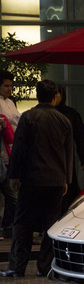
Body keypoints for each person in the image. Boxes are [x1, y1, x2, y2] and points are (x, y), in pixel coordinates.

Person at [0, 79, 73, 278]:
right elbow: (68, 153)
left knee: (23, 223)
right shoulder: (64, 120)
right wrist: (67, 179)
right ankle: (45, 266)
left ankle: (17, 266)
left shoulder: (29, 117)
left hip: (32, 179)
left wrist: (14, 175)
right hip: (56, 180)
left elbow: (19, 148)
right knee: (51, 224)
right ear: (56, 96)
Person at [56, 85, 84, 213]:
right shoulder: (48, 113)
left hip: (67, 156)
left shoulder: (70, 114)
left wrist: (83, 158)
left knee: (69, 188)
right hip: (57, 157)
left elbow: (79, 136)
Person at [0, 71, 18, 241]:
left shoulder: (10, 102)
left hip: (9, 150)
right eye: (6, 85)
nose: (9, 89)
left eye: (11, 86)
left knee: (11, 196)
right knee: (11, 196)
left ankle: (7, 226)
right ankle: (7, 226)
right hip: (3, 151)